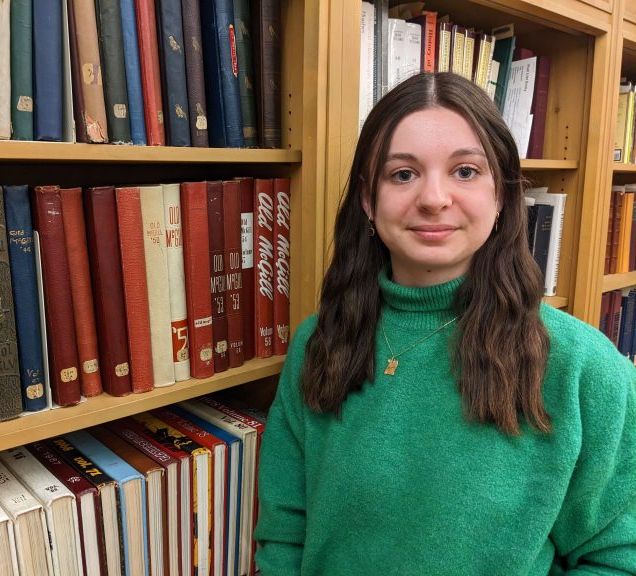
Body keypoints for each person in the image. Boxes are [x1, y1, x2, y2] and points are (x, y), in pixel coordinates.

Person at [254, 72, 636, 575]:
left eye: (465, 171)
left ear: (501, 194)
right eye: (403, 174)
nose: (433, 198)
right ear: (369, 200)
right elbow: (284, 534)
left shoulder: (585, 368)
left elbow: (617, 557)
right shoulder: (317, 342)